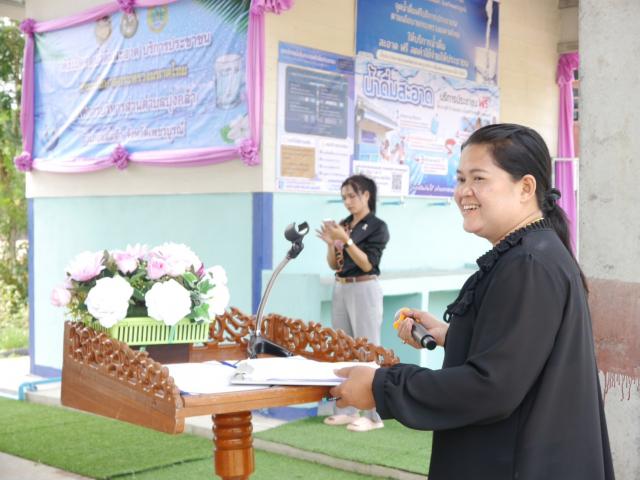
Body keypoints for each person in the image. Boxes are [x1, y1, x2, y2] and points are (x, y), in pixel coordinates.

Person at [330, 124, 614, 479]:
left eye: (479, 178)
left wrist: (381, 386)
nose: (463, 192)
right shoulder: (529, 252)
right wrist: (456, 334)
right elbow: (522, 352)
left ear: (526, 187)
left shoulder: (528, 263)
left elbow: (492, 387)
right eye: (461, 179)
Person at [316, 174, 390, 432]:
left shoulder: (377, 226)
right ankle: (346, 409)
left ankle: (373, 415)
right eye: (344, 197)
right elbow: (335, 264)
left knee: (367, 350)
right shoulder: (344, 224)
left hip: (364, 287)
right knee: (342, 348)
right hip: (342, 286)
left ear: (366, 195)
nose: (347, 202)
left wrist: (346, 241)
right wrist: (331, 244)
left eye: (352, 196)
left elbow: (367, 264)